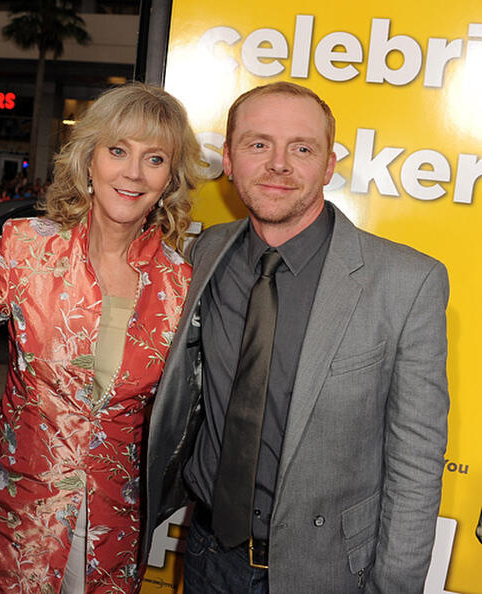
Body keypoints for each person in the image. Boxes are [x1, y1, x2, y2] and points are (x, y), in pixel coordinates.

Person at [142, 81, 449, 593]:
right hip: (203, 554)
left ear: (329, 165)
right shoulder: (204, 255)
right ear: (230, 160)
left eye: (301, 148)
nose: (278, 165)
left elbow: (416, 459)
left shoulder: (407, 282)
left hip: (325, 572)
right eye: (258, 144)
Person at [0, 82, 202, 593]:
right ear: (89, 159)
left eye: (155, 158)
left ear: (170, 178)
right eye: (118, 151)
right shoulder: (27, 247)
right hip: (17, 513)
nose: (134, 173)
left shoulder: (181, 283)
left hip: (117, 523)